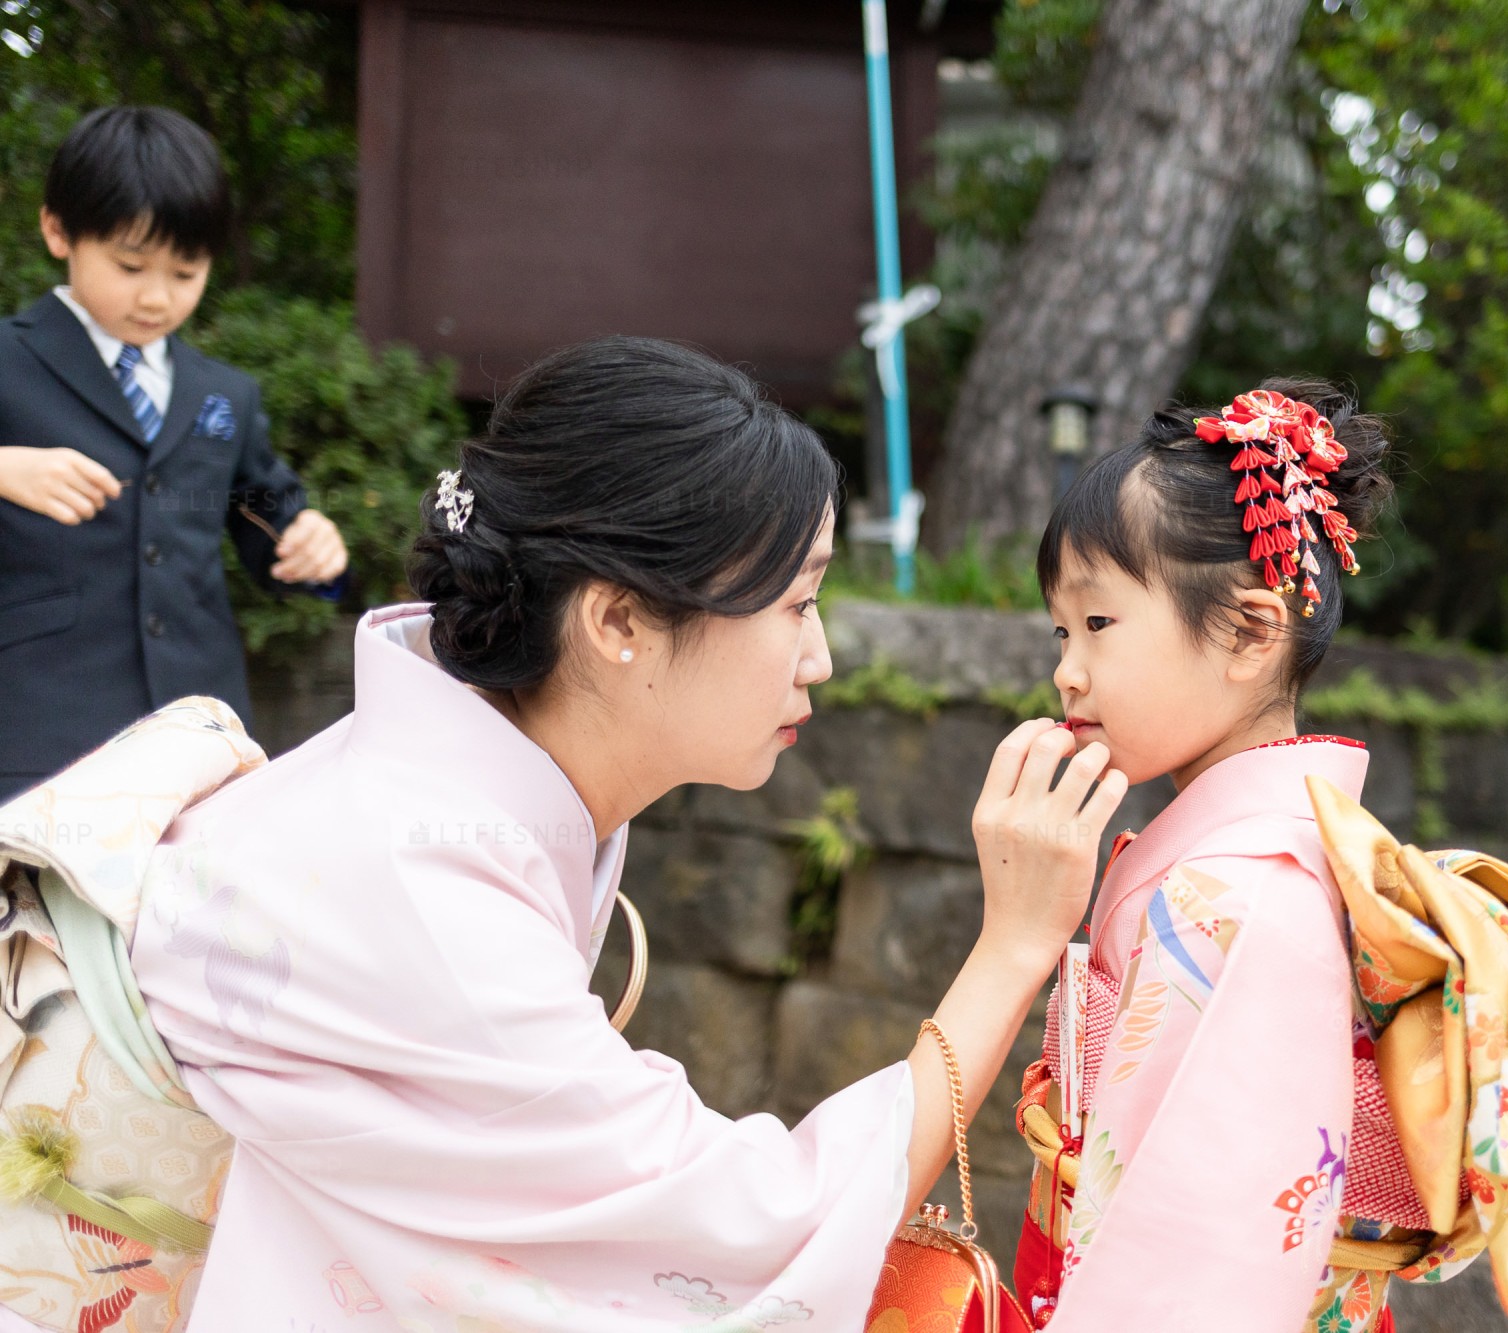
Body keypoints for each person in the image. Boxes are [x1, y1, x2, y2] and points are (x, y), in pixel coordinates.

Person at [6, 335, 1123, 1328]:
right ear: (620, 619)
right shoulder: (413, 885)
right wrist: (1012, 947)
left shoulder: (407, 796)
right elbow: (751, 1233)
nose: (818, 656)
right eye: (795, 602)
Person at [1012, 381, 1391, 1329]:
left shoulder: (1238, 893)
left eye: (1098, 624)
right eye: (1061, 629)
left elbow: (1198, 1257)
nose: (1067, 667)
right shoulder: (1250, 862)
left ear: (1250, 632)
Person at [0, 106, 348, 802]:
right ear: (57, 230)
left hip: (199, 739)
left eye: (186, 273)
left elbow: (265, 522)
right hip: (37, 730)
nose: (156, 296)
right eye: (130, 266)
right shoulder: (8, 359)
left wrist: (313, 549)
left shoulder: (225, 394)